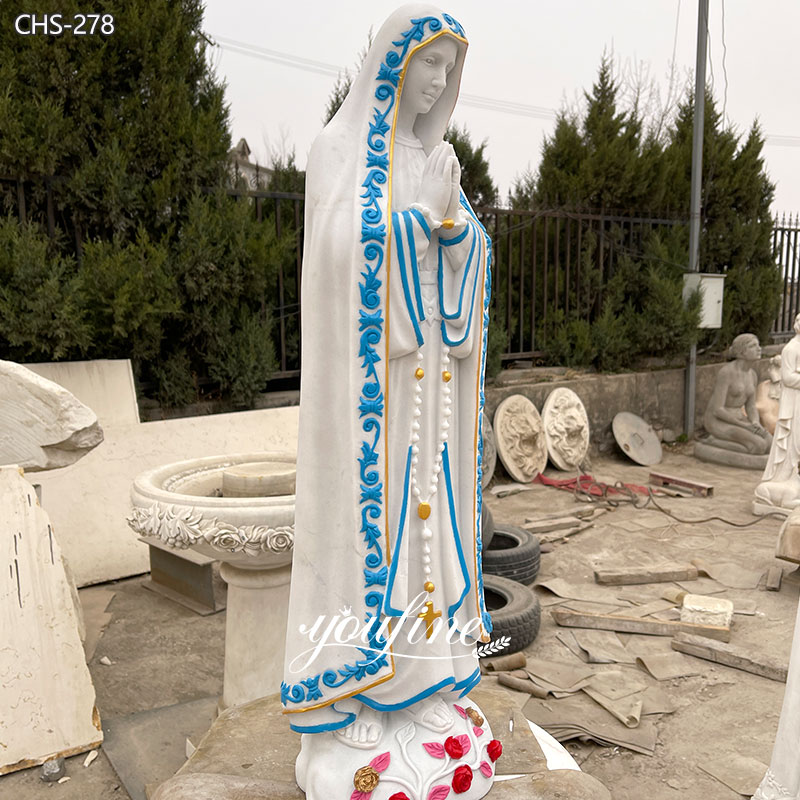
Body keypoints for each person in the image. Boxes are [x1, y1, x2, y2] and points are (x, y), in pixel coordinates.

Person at [282, 4, 492, 743]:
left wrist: (456, 230)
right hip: (373, 402)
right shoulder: (337, 153)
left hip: (429, 387)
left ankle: (427, 682)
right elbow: (336, 261)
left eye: (448, 68)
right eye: (427, 62)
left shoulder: (437, 161)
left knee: (432, 543)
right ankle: (363, 695)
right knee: (380, 538)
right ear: (390, 63)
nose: (437, 81)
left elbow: (471, 259)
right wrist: (415, 222)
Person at [703, 333, 772, 454]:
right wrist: (743, 425)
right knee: (759, 446)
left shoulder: (752, 374)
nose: (759, 348)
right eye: (753, 346)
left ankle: (739, 444)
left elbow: (750, 406)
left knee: (770, 442)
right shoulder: (726, 373)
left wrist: (755, 422)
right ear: (741, 352)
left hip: (739, 418)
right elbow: (717, 410)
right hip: (717, 420)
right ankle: (715, 442)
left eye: (758, 345)